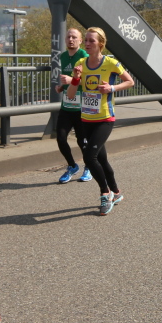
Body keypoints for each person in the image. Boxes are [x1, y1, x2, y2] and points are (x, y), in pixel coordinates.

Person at [67, 27, 134, 215]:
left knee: (89, 157)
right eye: (86, 40)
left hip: (105, 118)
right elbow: (71, 95)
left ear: (101, 44)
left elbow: (130, 81)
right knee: (101, 159)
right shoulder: (80, 63)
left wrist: (111, 88)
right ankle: (117, 192)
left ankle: (105, 193)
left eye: (91, 41)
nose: (87, 44)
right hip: (86, 118)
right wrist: (75, 78)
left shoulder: (110, 63)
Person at [55, 28, 91, 184]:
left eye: (74, 37)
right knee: (60, 138)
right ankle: (72, 166)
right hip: (66, 106)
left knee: (82, 141)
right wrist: (61, 87)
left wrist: (72, 81)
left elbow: (89, 80)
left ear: (80, 41)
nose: (71, 39)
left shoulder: (84, 56)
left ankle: (88, 167)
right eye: (68, 37)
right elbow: (67, 78)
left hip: (81, 107)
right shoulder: (63, 56)